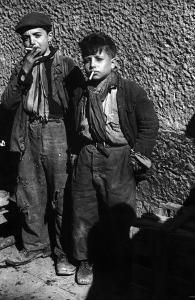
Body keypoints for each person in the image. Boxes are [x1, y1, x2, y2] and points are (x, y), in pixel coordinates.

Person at [70, 32, 159, 285]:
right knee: (83, 209)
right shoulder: (82, 92)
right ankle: (85, 261)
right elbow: (74, 124)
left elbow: (149, 124)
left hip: (119, 157)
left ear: (114, 62)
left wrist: (138, 156)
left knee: (119, 214)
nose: (92, 65)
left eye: (99, 59)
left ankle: (119, 265)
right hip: (87, 154)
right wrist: (76, 154)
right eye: (87, 60)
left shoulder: (130, 91)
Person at [1, 12, 84, 276]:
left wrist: (76, 145)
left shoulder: (67, 65)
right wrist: (24, 72)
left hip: (58, 132)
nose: (32, 42)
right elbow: (7, 103)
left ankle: (62, 251)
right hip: (29, 131)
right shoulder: (21, 67)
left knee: (61, 195)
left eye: (37, 35)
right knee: (30, 191)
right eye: (26, 38)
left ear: (51, 36)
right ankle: (36, 245)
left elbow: (80, 105)